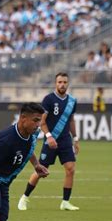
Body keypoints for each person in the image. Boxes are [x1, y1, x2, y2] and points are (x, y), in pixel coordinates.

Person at [18, 72, 80, 211]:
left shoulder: (72, 101)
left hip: (65, 140)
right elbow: (42, 121)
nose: (62, 84)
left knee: (70, 169)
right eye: (59, 82)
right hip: (51, 140)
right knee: (41, 171)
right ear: (55, 83)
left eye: (64, 82)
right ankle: (24, 197)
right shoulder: (49, 99)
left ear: (68, 84)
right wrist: (49, 136)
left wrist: (75, 139)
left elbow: (71, 121)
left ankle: (65, 202)